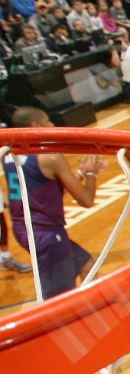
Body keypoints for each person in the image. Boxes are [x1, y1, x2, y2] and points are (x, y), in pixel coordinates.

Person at [2, 107, 107, 299]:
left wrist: (80, 174)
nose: (52, 125)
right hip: (46, 235)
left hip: (24, 229)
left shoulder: (9, 154)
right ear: (35, 125)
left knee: (87, 266)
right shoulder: (50, 157)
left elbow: (45, 191)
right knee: (59, 298)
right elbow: (86, 200)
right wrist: (92, 174)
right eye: (47, 121)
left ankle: (98, 313)